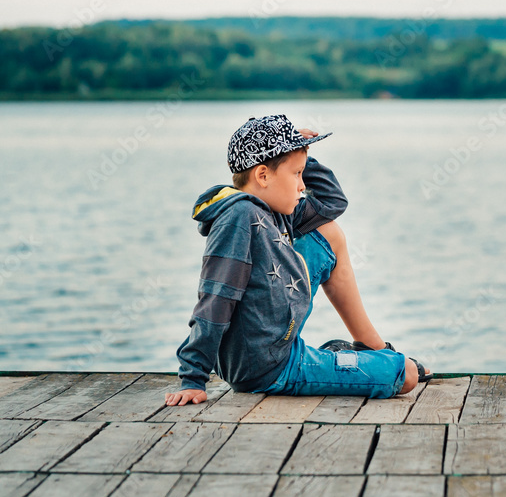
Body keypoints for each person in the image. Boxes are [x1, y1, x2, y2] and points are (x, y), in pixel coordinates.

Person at [165, 114, 431, 406]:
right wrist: (193, 378)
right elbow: (215, 299)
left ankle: (370, 347)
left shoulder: (271, 209)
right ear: (263, 176)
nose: (303, 185)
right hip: (268, 369)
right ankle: (349, 359)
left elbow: (333, 202)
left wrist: (300, 152)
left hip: (278, 343)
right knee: (406, 375)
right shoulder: (239, 218)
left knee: (328, 233)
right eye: (296, 174)